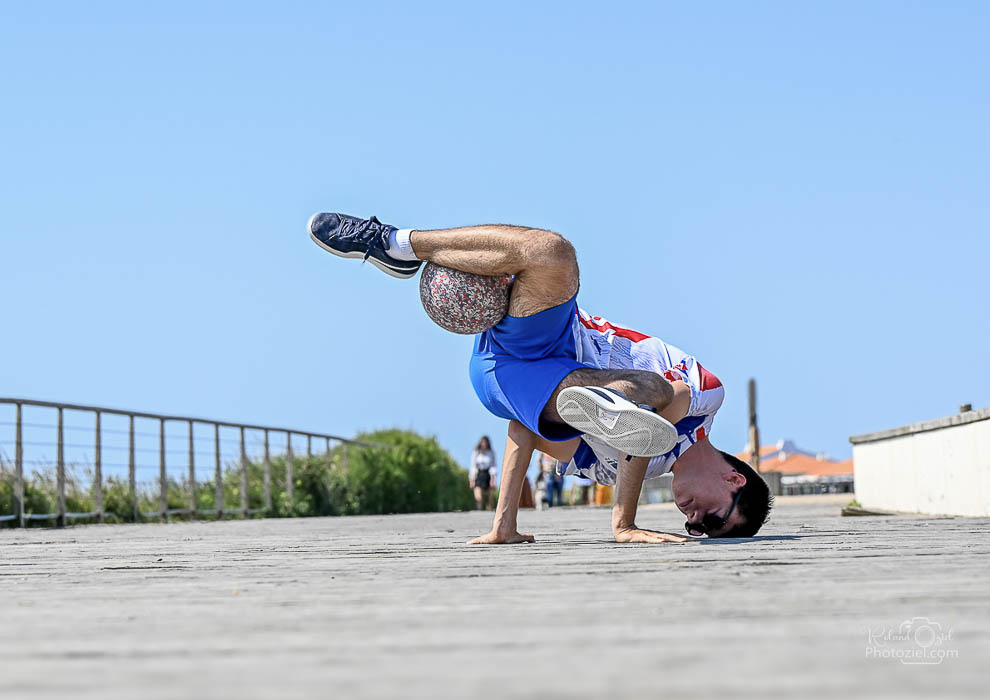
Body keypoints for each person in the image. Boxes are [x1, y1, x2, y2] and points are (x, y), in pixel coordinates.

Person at [308, 212, 773, 543]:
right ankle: (396, 244)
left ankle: (604, 406)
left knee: (633, 414)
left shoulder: (612, 469)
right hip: (550, 337)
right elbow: (672, 401)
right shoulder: (710, 396)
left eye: (697, 532)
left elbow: (522, 430)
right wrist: (620, 520)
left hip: (510, 382)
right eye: (712, 522)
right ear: (734, 481)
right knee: (554, 254)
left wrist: (503, 519)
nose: (692, 524)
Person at [469, 436, 497, 510]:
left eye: (485, 442)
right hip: (479, 474)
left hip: (488, 474)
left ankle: (489, 509)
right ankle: (479, 509)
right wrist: (472, 479)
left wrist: (493, 478)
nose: (484, 444)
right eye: (482, 442)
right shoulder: (476, 452)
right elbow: (473, 466)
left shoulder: (491, 453)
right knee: (478, 495)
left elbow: (493, 465)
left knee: (490, 495)